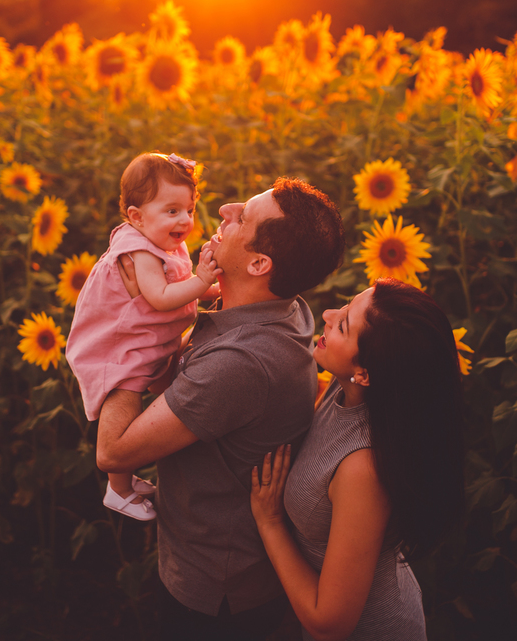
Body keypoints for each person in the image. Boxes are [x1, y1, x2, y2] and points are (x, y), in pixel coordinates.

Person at [96, 177, 346, 641]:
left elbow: (113, 452)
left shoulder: (241, 365)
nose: (226, 208)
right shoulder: (283, 309)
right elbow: (180, 383)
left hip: (215, 591)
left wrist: (123, 337)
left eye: (243, 217)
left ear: (258, 263)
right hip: (221, 561)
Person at [250, 278, 466, 641]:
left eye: (343, 325)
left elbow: (329, 624)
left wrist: (270, 522)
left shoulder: (363, 469)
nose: (328, 314)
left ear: (364, 373)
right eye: (344, 307)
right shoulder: (348, 389)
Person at [65, 152, 221, 520]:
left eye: (189, 210)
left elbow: (177, 284)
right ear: (137, 217)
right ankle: (117, 491)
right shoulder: (141, 252)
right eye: (172, 211)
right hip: (119, 345)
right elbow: (161, 297)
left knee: (136, 396)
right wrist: (201, 282)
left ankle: (126, 479)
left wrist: (208, 289)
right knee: (124, 399)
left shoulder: (162, 239)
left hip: (141, 337)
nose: (184, 220)